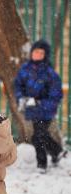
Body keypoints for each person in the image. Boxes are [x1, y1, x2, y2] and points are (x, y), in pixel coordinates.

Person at [14, 39, 66, 172]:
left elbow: (56, 95)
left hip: (46, 111)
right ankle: (56, 152)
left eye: (41, 53)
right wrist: (21, 98)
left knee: (38, 136)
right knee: (39, 135)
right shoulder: (25, 69)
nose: (37, 55)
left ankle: (42, 164)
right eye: (35, 52)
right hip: (32, 110)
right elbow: (18, 85)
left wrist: (39, 102)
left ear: (45, 55)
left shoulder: (50, 73)